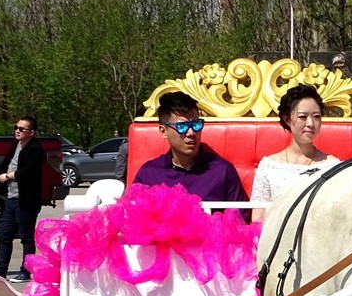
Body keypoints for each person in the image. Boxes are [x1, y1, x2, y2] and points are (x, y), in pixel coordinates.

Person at [134, 92, 248, 214]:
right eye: (182, 127)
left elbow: (241, 218)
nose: (191, 133)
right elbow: (133, 216)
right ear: (163, 131)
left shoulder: (222, 171)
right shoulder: (149, 174)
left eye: (196, 125)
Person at [250, 84, 340, 222]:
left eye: (316, 117)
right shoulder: (269, 166)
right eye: (303, 117)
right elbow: (258, 217)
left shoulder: (332, 165)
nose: (311, 123)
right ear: (287, 119)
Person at [0, 115, 45, 283]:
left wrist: (8, 176)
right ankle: (0, 271)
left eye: (22, 129)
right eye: (16, 127)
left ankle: (25, 271)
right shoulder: (16, 145)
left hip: (26, 200)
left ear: (31, 132)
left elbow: (29, 172)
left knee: (26, 237)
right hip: (10, 198)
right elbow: (6, 163)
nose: (17, 131)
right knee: (5, 236)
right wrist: (2, 174)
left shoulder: (36, 149)